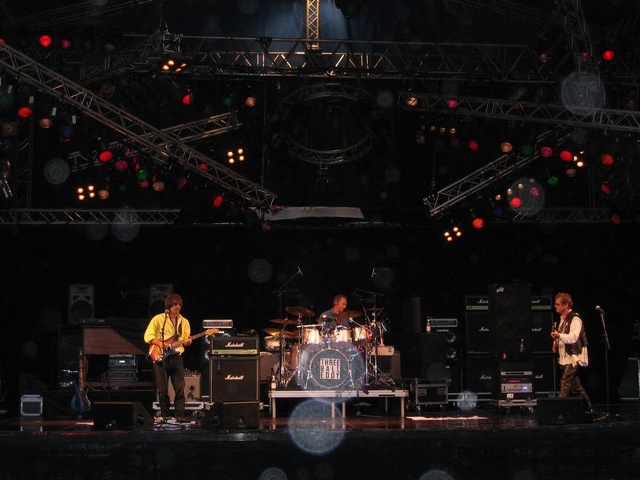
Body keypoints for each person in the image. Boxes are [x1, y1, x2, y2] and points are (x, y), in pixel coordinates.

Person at [144, 293, 192, 423]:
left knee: (180, 387)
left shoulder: (184, 322)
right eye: (175, 304)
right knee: (162, 388)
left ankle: (179, 414)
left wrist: (187, 342)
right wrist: (160, 344)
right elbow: (148, 336)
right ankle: (165, 414)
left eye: (179, 305)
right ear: (169, 305)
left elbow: (185, 339)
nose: (177, 307)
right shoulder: (158, 319)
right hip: (160, 356)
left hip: (176, 356)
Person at [550, 292, 593, 411]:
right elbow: (562, 337)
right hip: (565, 357)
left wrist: (559, 335)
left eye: (558, 304)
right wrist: (555, 343)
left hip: (574, 356)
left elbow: (573, 338)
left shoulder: (575, 319)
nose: (555, 306)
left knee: (565, 382)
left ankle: (558, 411)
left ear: (566, 305)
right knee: (575, 387)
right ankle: (588, 409)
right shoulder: (562, 319)